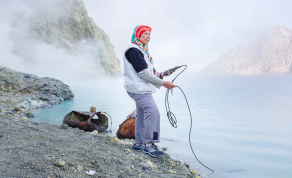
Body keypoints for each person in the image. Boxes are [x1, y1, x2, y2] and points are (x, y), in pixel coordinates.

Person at [123, 25, 176, 158]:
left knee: (141, 115)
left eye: (149, 34)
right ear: (138, 35)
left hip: (139, 88)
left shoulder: (142, 51)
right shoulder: (134, 50)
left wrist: (162, 74)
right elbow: (144, 74)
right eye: (145, 33)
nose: (148, 36)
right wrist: (163, 83)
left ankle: (139, 143)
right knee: (153, 112)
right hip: (139, 90)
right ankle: (149, 145)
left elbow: (149, 73)